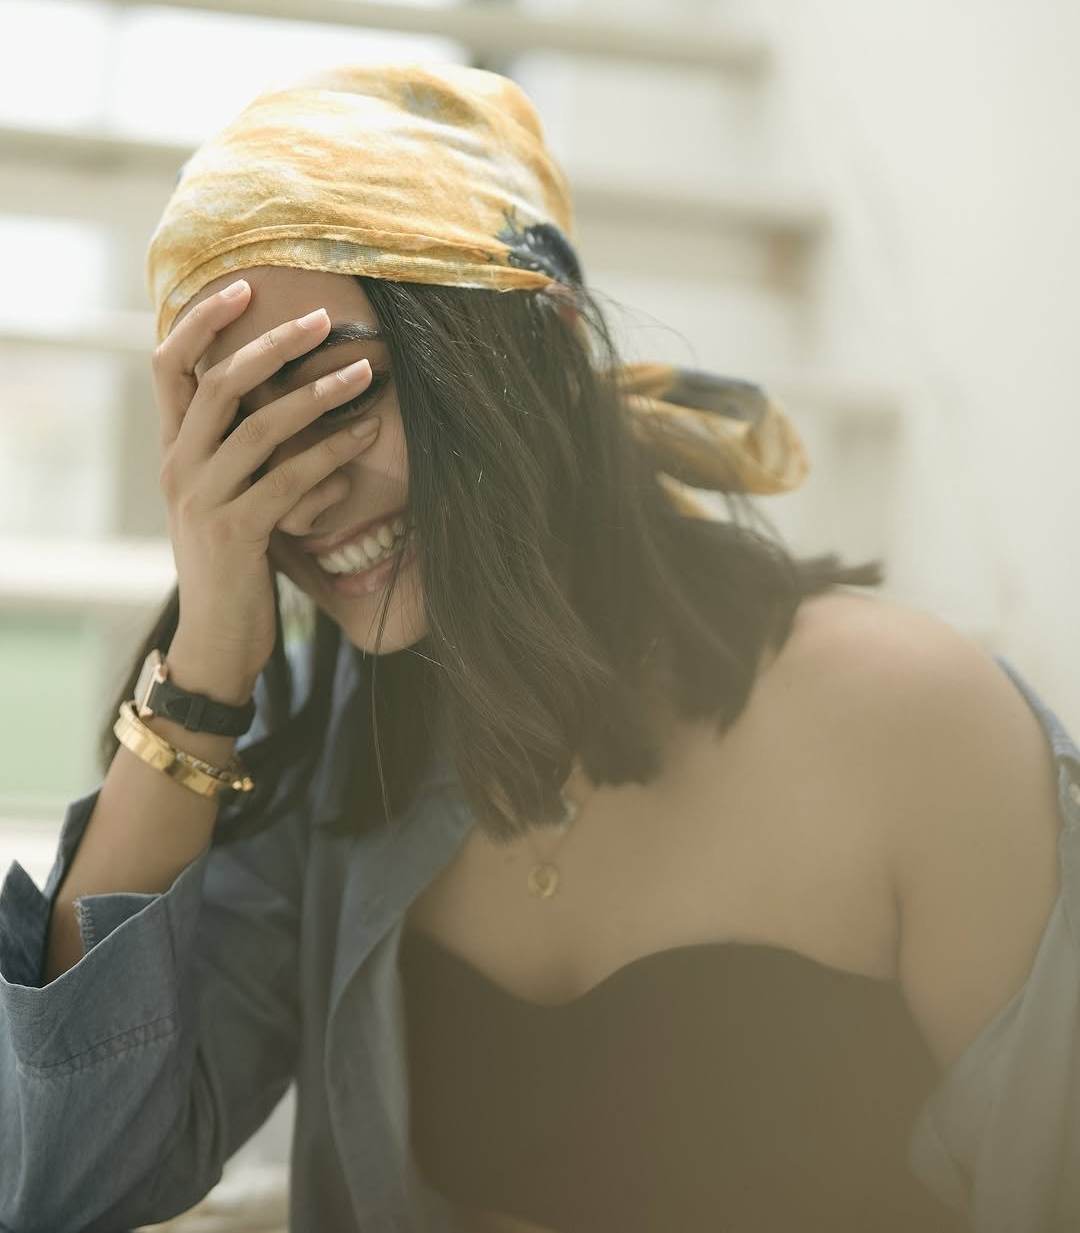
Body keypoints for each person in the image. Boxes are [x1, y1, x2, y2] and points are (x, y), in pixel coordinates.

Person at [0, 64, 1077, 1233]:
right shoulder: (328, 740)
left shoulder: (911, 720)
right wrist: (205, 667)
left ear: (540, 345)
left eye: (334, 395)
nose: (304, 496)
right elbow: (65, 1181)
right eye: (246, 435)